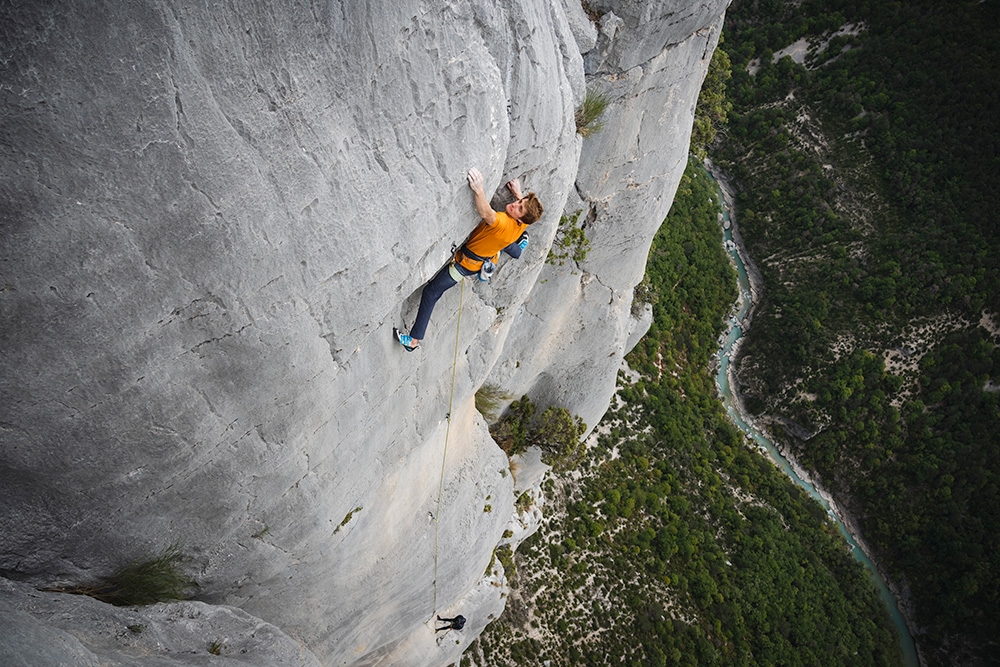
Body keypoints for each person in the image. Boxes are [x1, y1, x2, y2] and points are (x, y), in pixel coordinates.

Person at [396, 167, 544, 351]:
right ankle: (517, 250)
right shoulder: (520, 224)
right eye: (519, 202)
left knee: (431, 293)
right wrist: (518, 193)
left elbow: (486, 214)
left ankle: (413, 340)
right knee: (510, 244)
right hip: (491, 250)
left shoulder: (504, 222)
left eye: (520, 208)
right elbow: (520, 213)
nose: (515, 204)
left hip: (465, 264)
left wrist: (479, 189)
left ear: (521, 220)